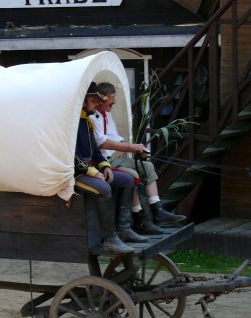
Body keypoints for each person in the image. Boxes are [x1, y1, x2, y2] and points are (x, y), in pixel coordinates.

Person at [90, 82, 186, 232]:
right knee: (132, 174)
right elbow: (103, 143)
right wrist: (133, 147)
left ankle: (158, 211)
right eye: (111, 98)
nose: (114, 102)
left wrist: (137, 149)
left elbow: (115, 139)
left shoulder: (106, 114)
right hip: (102, 162)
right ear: (101, 99)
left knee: (148, 167)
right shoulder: (92, 117)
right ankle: (139, 219)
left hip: (113, 158)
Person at [74, 82, 147, 254]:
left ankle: (124, 228)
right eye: (94, 101)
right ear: (85, 101)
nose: (96, 104)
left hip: (91, 169)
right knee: (104, 188)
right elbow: (72, 157)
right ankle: (110, 238)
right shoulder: (72, 124)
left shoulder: (86, 122)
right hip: (75, 174)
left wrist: (105, 166)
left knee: (128, 180)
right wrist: (93, 172)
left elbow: (95, 151)